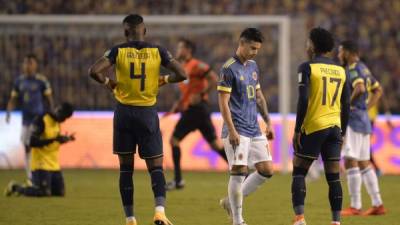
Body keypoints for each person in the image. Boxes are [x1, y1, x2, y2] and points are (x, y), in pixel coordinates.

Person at [88, 14, 186, 225]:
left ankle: (130, 218)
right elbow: (182, 74)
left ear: (125, 32)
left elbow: (93, 71)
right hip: (147, 114)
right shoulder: (158, 51)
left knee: (125, 168)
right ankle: (159, 212)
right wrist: (164, 79)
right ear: (145, 31)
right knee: (156, 167)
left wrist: (108, 82)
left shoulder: (118, 51)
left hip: (123, 113)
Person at [291, 27, 350, 225]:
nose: (306, 46)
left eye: (308, 42)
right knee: (333, 176)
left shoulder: (307, 67)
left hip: (315, 126)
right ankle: (336, 222)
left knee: (299, 171)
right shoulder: (341, 71)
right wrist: (343, 132)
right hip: (335, 127)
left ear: (314, 45)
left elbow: (304, 99)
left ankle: (299, 219)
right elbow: (346, 105)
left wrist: (298, 129)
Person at [217, 28, 274, 225]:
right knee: (239, 171)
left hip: (254, 127)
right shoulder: (228, 68)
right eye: (252, 48)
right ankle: (238, 220)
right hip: (237, 128)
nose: (255, 52)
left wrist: (268, 122)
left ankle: (229, 203)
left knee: (266, 170)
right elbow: (223, 102)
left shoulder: (253, 66)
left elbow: (259, 96)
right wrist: (231, 130)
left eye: (257, 49)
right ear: (241, 43)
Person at [165, 38, 227, 190]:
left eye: (180, 48)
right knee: (214, 144)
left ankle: (178, 180)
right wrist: (179, 104)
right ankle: (241, 172)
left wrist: (202, 93)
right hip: (197, 110)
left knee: (174, 140)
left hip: (197, 109)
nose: (178, 51)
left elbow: (214, 79)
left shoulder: (196, 65)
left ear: (188, 50)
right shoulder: (182, 67)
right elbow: (187, 91)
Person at [338, 40, 386, 216]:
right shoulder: (364, 67)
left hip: (354, 120)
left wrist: (348, 105)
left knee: (350, 160)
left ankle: (355, 206)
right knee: (364, 162)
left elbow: (358, 88)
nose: (338, 54)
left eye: (340, 51)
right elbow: (378, 90)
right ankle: (377, 204)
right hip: (364, 119)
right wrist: (366, 106)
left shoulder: (352, 68)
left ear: (348, 52)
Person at [4, 102, 74, 197]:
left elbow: (53, 140)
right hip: (40, 164)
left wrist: (64, 139)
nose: (63, 120)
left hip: (54, 164)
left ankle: (31, 186)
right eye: (63, 117)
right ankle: (16, 188)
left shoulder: (57, 123)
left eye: (66, 118)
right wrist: (54, 139)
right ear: (59, 111)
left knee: (59, 193)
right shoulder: (41, 120)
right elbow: (32, 142)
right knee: (43, 192)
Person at [5, 54, 54, 181]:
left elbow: (49, 99)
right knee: (27, 148)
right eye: (26, 63)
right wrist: (9, 112)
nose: (28, 66)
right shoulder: (19, 82)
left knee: (38, 146)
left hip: (39, 120)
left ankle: (41, 173)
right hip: (25, 121)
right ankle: (30, 176)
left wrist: (52, 114)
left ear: (35, 65)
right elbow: (13, 99)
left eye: (30, 63)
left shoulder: (41, 81)